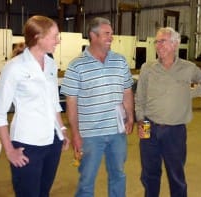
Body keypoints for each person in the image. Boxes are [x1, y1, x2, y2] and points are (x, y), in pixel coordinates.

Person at [0, 15, 70, 197]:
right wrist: (9, 150)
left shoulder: (50, 63)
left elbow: (54, 103)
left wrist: (62, 129)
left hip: (53, 141)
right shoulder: (14, 68)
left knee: (43, 192)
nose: (58, 41)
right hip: (28, 144)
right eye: (54, 36)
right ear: (38, 38)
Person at [60, 17, 134, 197]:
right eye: (107, 33)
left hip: (117, 131)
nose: (111, 37)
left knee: (118, 175)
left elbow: (126, 91)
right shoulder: (76, 66)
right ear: (93, 35)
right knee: (87, 180)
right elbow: (71, 103)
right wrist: (75, 134)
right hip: (90, 134)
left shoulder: (120, 61)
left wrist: (130, 117)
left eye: (111, 33)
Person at [135, 27, 201, 197]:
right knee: (149, 173)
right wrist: (141, 121)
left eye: (163, 41)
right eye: (157, 41)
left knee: (176, 175)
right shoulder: (147, 68)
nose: (158, 45)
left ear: (175, 44)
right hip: (149, 127)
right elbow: (139, 98)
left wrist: (189, 94)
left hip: (175, 131)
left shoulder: (188, 68)